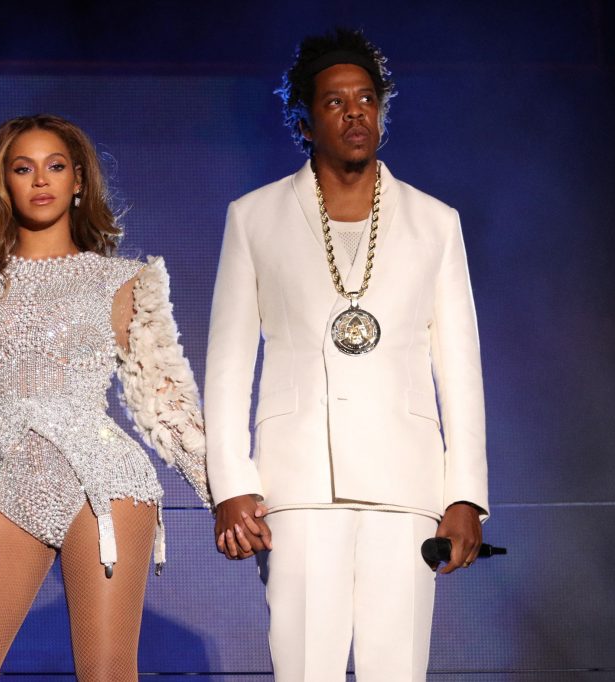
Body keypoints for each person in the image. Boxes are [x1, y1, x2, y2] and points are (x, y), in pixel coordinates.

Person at [204, 29, 489, 681]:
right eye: (335, 102)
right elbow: (226, 365)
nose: (355, 112)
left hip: (407, 485)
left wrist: (466, 493)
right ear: (304, 121)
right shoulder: (254, 218)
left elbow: (461, 370)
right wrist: (232, 485)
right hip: (297, 484)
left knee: (399, 671)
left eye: (366, 99)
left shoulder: (434, 221)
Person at [0, 114, 209, 681]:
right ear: (3, 184)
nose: (40, 180)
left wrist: (228, 495)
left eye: (55, 166)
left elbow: (165, 404)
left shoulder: (124, 281)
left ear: (78, 182)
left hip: (105, 484)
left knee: (108, 672)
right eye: (23, 168)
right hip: (1, 489)